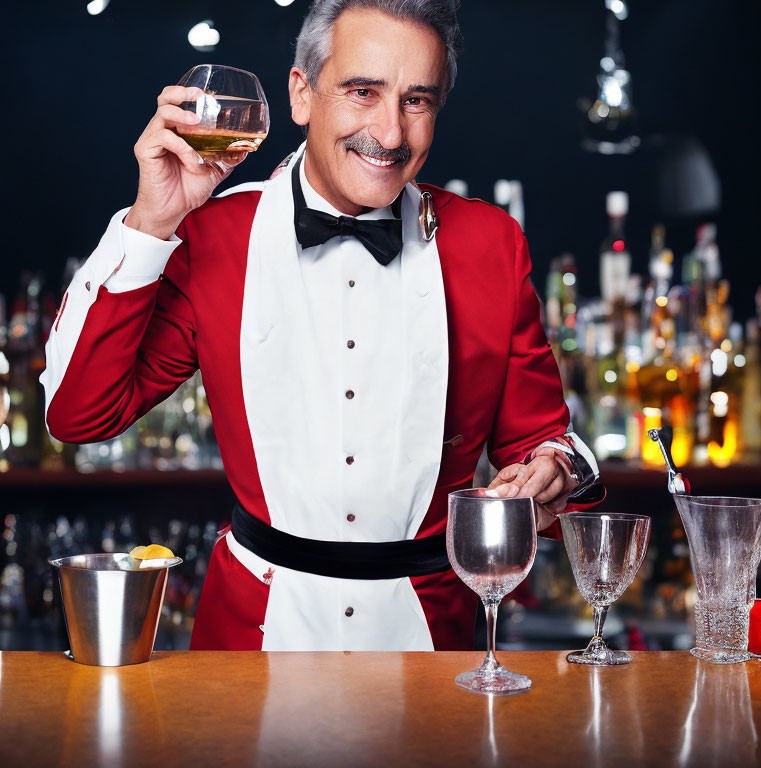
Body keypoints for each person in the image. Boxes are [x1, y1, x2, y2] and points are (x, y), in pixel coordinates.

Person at [42, 0, 604, 651]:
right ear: (301, 94)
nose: (391, 134)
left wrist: (555, 470)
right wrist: (150, 221)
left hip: (435, 655)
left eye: (416, 101)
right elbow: (79, 415)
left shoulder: (488, 244)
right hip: (246, 651)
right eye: (363, 92)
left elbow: (548, 452)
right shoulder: (214, 236)